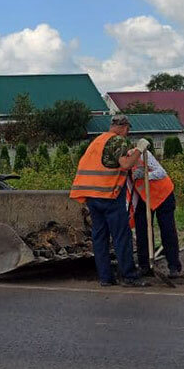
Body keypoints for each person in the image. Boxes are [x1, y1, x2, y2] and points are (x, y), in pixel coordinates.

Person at [70, 114, 148, 287]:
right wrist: (139, 150)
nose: (127, 133)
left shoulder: (97, 141)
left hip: (91, 196)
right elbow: (126, 164)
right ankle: (129, 276)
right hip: (109, 196)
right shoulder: (118, 141)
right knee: (121, 236)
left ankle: (105, 278)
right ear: (124, 127)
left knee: (100, 237)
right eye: (128, 129)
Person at [129, 147, 182, 277]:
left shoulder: (143, 155)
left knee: (167, 229)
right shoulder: (120, 164)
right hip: (144, 197)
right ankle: (145, 266)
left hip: (163, 194)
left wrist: (146, 174)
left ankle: (174, 266)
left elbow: (161, 172)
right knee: (142, 230)